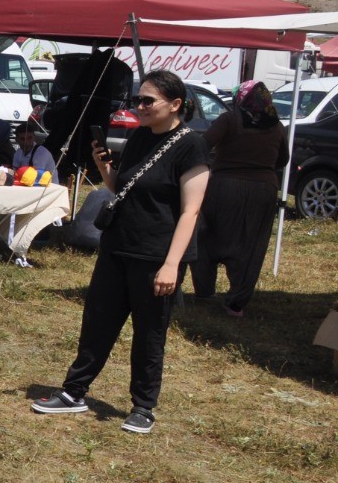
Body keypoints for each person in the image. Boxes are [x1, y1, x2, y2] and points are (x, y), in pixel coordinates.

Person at [32, 70, 210, 434]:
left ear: (175, 105)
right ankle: (74, 392)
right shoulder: (140, 136)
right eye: (137, 100)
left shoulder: (192, 145)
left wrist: (172, 265)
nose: (139, 107)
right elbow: (120, 186)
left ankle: (143, 406)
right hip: (117, 246)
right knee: (97, 323)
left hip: (156, 255)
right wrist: (103, 166)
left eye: (148, 101)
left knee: (149, 334)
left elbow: (191, 211)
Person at [190, 80, 288, 317]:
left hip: (225, 187)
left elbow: (203, 145)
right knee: (251, 245)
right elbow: (282, 160)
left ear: (241, 99)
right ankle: (236, 302)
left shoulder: (229, 119)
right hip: (262, 190)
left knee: (207, 235)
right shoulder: (277, 127)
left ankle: (204, 290)